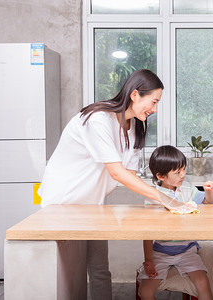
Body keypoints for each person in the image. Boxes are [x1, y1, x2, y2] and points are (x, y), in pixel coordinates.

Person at [38, 69, 187, 300]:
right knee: (63, 273)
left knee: (99, 269)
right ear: (135, 94)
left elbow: (129, 175)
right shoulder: (98, 119)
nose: (155, 109)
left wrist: (163, 199)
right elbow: (117, 173)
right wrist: (164, 198)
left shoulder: (136, 128)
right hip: (62, 203)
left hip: (93, 203)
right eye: (154, 102)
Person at [139, 145, 213, 300]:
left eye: (183, 169)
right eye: (177, 172)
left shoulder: (187, 188)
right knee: (145, 292)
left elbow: (208, 204)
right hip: (160, 252)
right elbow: (147, 231)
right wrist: (148, 259)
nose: (183, 175)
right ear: (160, 176)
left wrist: (209, 191)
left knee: (203, 283)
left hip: (187, 250)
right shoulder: (154, 196)